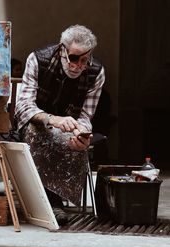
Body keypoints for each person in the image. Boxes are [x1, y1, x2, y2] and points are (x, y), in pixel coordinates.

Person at [15, 25, 105, 225]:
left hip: (68, 128)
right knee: (38, 133)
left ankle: (56, 200)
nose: (78, 66)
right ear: (62, 49)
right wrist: (52, 120)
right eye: (74, 58)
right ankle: (51, 202)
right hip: (35, 122)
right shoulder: (38, 59)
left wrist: (82, 134)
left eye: (84, 60)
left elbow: (85, 115)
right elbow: (23, 106)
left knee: (74, 142)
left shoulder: (96, 72)